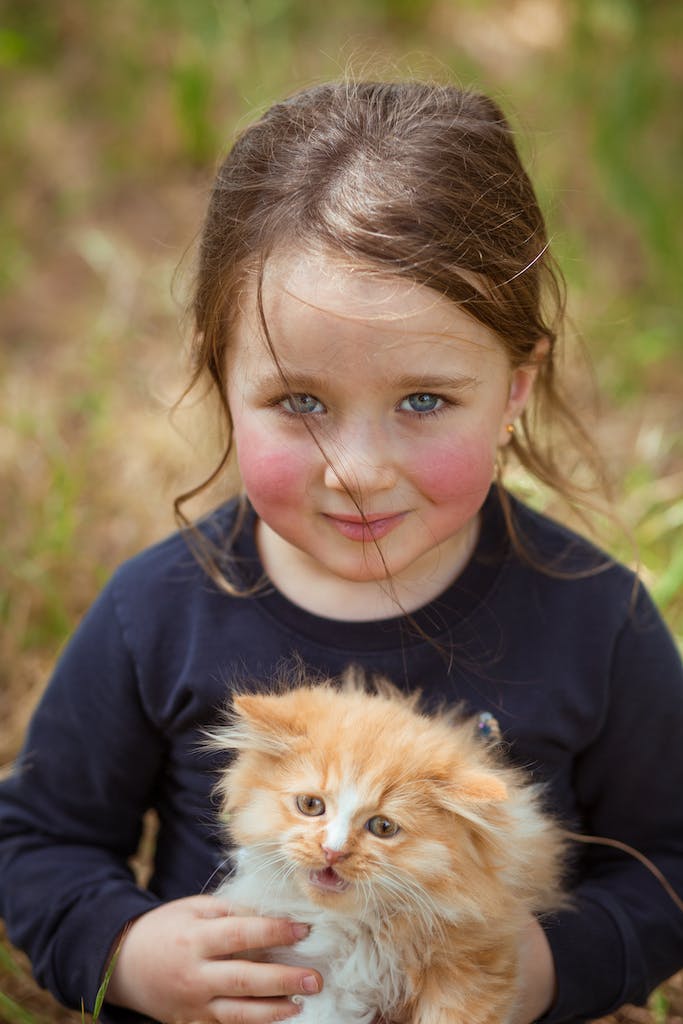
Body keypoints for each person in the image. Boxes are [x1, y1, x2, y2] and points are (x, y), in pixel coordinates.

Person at [0, 80, 681, 1024]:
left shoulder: (592, 618)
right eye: (301, 403)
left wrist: (548, 970)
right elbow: (37, 836)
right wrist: (129, 950)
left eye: (424, 401)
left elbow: (670, 858)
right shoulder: (154, 611)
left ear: (514, 390)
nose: (356, 470)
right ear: (221, 379)